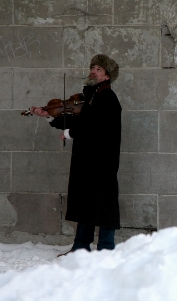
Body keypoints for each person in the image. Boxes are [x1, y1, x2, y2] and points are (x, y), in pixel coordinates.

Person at [29, 54, 122, 254]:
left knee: (104, 204)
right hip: (88, 160)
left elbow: (97, 127)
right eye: (92, 67)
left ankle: (106, 249)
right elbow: (76, 120)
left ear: (107, 76)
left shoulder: (107, 98)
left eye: (98, 69)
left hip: (102, 161)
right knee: (85, 202)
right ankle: (81, 247)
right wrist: (49, 116)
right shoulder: (91, 97)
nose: (93, 71)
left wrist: (70, 133)